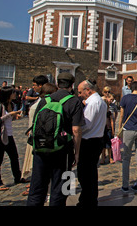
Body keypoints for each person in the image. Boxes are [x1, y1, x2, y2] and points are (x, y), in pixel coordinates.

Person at [27, 72, 84, 206]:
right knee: (62, 189)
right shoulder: (74, 101)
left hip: (41, 149)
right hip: (63, 151)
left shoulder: (44, 99)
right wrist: (77, 153)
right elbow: (76, 130)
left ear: (58, 84)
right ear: (72, 85)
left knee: (37, 188)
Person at [22, 81, 57, 196]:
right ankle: (40, 190)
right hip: (43, 139)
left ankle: (36, 189)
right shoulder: (47, 104)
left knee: (39, 169)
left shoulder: (39, 103)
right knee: (42, 170)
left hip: (38, 139)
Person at [76, 79, 107, 206]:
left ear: (88, 90)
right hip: (97, 139)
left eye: (80, 92)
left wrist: (75, 128)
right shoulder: (99, 101)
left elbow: (86, 124)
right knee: (90, 173)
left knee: (85, 174)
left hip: (89, 141)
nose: (79, 95)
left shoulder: (93, 103)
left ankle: (87, 200)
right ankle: (89, 199)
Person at [0, 86, 23, 191]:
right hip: (0, 137)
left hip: (9, 136)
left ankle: (18, 178)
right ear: (8, 94)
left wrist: (14, 117)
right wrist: (9, 115)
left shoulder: (11, 104)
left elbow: (7, 122)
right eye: (13, 93)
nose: (15, 94)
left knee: (14, 157)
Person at [100, 93, 115, 165]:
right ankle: (103, 157)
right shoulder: (100, 112)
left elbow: (112, 121)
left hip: (108, 129)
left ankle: (110, 157)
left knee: (109, 144)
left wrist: (113, 130)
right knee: (103, 145)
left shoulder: (109, 112)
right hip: (102, 129)